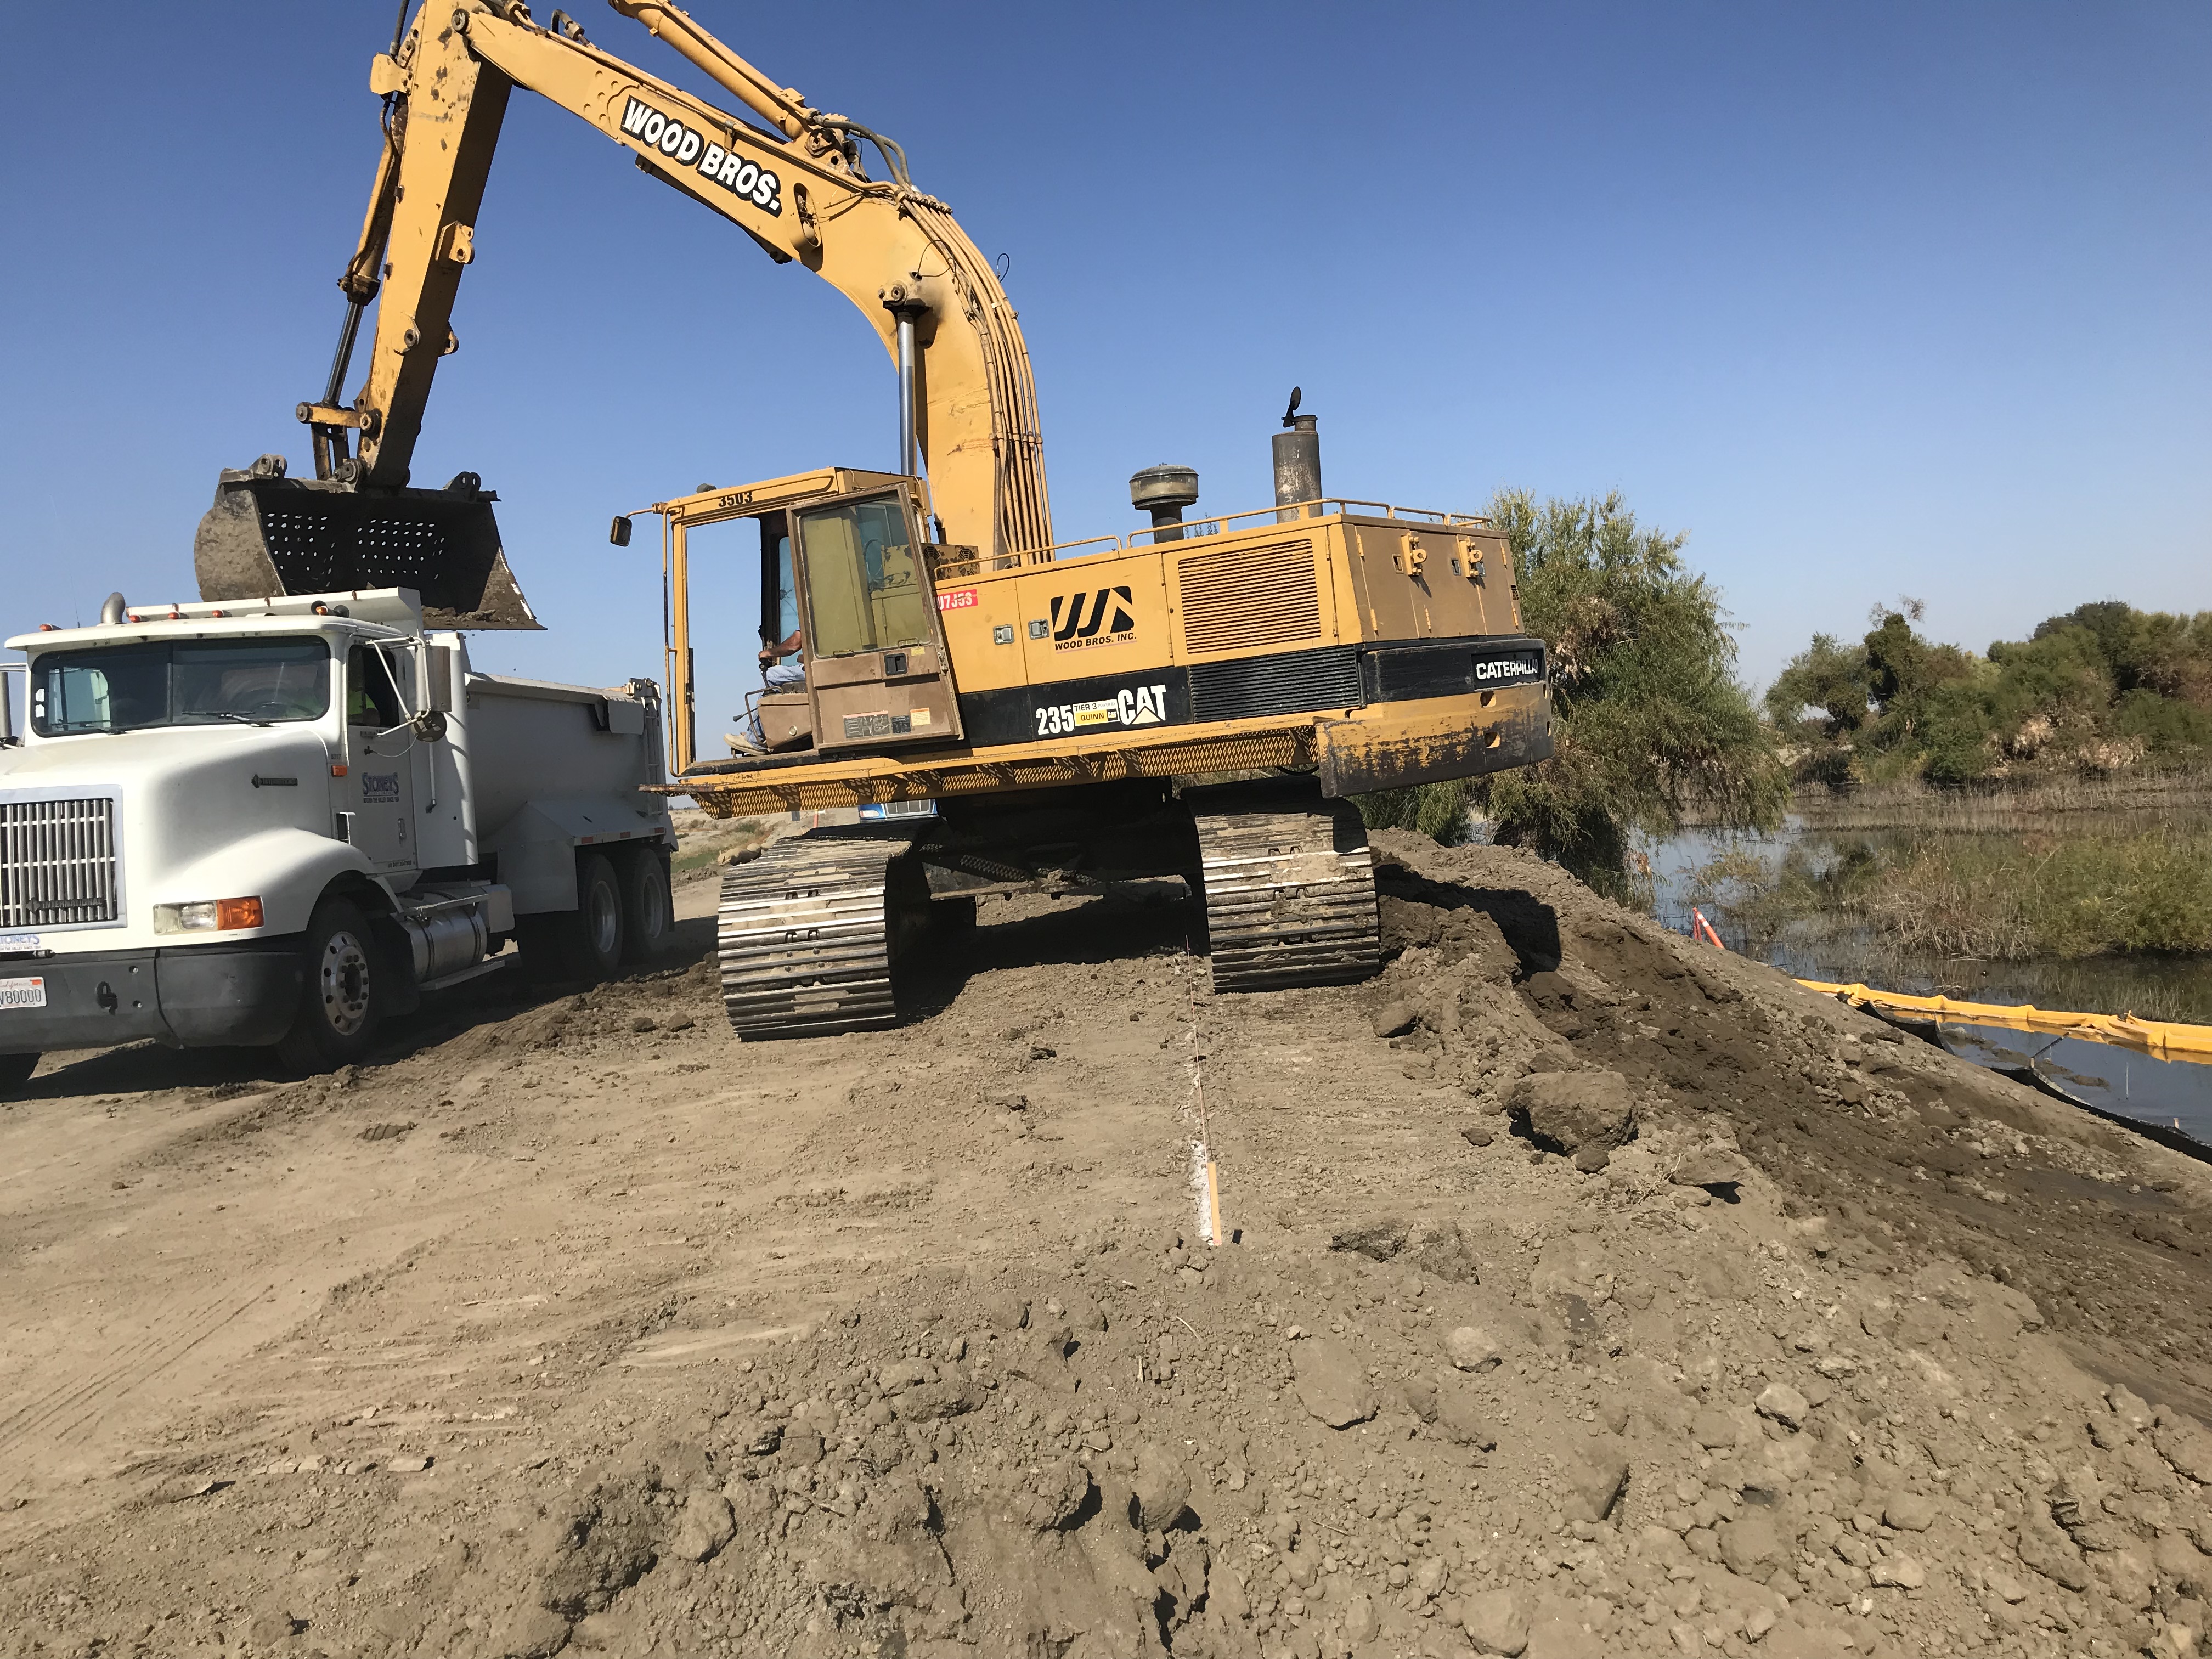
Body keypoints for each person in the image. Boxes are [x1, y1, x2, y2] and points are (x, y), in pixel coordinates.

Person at [727, 625, 804, 755]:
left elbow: (795, 643)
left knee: (772, 675)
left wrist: (769, 653)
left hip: (817, 669)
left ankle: (755, 740)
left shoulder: (815, 608)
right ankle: (769, 733)